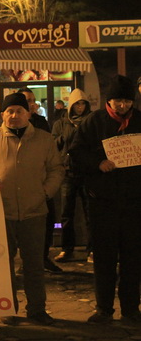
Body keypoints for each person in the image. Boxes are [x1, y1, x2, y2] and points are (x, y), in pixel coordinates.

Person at [0, 92, 64, 326]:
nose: (14, 115)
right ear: (2, 114)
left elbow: (56, 169)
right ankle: (6, 306)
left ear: (28, 113)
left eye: (19, 111)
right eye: (9, 111)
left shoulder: (44, 140)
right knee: (2, 263)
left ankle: (37, 309)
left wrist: (45, 193)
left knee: (34, 264)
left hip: (34, 211)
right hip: (0, 212)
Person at [69, 75, 141, 324]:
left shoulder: (139, 120)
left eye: (127, 101)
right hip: (103, 202)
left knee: (133, 257)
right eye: (118, 100)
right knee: (104, 257)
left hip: (134, 202)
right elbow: (76, 152)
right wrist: (98, 163)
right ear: (108, 100)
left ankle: (131, 308)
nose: (122, 106)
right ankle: (104, 308)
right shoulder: (94, 121)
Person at [17, 87, 61, 274]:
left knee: (48, 221)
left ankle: (43, 257)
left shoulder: (41, 122)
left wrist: (47, 188)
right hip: (21, 186)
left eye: (32, 100)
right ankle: (26, 261)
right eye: (27, 100)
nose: (31, 103)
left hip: (41, 183)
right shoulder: (15, 124)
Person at [52, 89, 92, 263]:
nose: (80, 107)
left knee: (90, 212)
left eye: (83, 104)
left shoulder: (91, 121)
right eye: (77, 104)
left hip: (86, 172)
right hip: (67, 172)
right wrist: (64, 137)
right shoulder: (61, 123)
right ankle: (67, 248)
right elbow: (53, 145)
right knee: (66, 213)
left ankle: (92, 249)